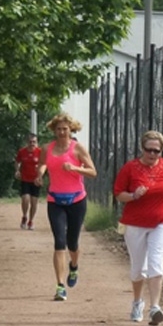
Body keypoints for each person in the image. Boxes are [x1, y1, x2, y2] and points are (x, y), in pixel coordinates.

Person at [113, 130, 163, 326]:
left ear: (161, 151)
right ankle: (137, 302)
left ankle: (155, 307)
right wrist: (134, 195)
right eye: (148, 150)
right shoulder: (130, 168)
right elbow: (118, 194)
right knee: (137, 269)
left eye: (157, 151)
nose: (152, 154)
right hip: (135, 223)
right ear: (142, 149)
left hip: (162, 221)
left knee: (156, 262)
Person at [34, 113, 97, 301]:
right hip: (55, 200)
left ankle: (74, 266)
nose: (61, 132)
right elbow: (43, 163)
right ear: (54, 130)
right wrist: (40, 174)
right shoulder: (47, 148)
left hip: (77, 200)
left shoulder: (78, 149)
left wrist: (76, 168)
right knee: (59, 242)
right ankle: (60, 286)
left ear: (71, 130)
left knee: (73, 242)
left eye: (65, 129)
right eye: (58, 129)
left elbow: (93, 172)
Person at [15, 133, 41, 230]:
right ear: (27, 142)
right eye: (30, 142)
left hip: (36, 180)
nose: (32, 144)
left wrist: (41, 175)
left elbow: (44, 164)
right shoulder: (22, 152)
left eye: (34, 142)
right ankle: (24, 216)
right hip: (25, 179)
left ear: (37, 142)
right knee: (25, 199)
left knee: (34, 202)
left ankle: (31, 221)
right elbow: (17, 161)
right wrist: (17, 170)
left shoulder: (40, 152)